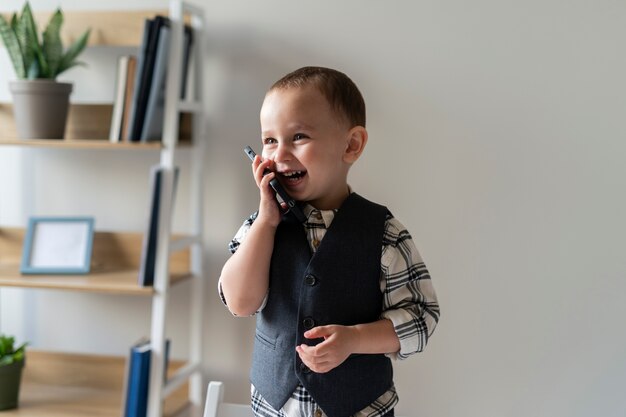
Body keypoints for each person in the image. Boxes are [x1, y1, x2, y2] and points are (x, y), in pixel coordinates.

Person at [218, 66, 440, 417]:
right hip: (275, 409)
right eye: (270, 140)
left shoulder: (385, 233)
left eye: (299, 137)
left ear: (351, 145)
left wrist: (354, 339)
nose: (279, 155)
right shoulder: (260, 227)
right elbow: (240, 302)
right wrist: (266, 221)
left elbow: (421, 317)